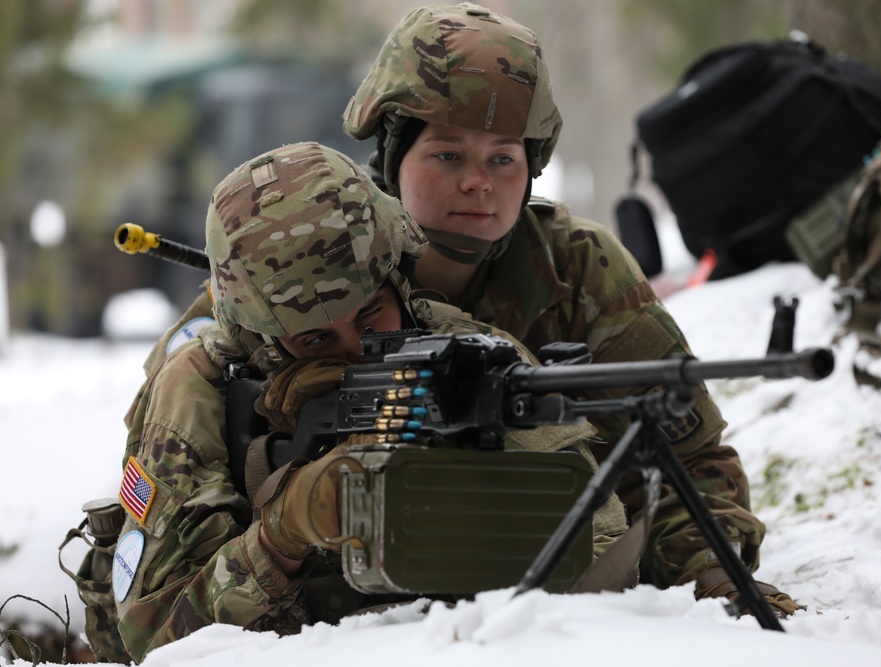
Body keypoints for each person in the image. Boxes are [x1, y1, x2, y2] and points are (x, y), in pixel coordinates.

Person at [339, 2, 797, 612]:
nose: (479, 181)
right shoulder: (322, 254)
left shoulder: (575, 266)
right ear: (393, 156)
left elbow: (691, 461)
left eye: (503, 157)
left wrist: (709, 573)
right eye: (448, 154)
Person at [111, 141, 628, 662]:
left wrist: (466, 505)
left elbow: (603, 564)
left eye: (370, 316)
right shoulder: (200, 390)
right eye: (315, 340)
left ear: (396, 278)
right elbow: (152, 640)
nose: (357, 352)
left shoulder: (469, 357)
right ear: (263, 339)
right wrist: (282, 533)